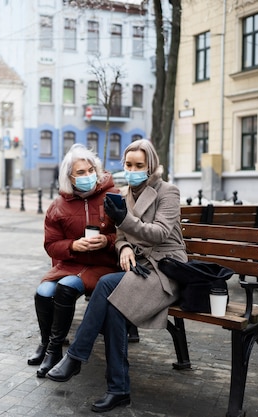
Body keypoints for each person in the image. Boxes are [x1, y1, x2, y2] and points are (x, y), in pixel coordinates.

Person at [46, 139, 187, 413]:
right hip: (140, 267)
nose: (132, 169)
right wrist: (123, 249)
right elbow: (122, 237)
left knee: (108, 288)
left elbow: (159, 233)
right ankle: (117, 389)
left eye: (139, 165)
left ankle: (78, 358)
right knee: (111, 300)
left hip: (167, 269)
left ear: (151, 166)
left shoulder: (168, 191)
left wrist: (123, 220)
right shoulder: (124, 194)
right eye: (128, 164)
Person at [28, 144, 120, 378]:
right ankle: (48, 344)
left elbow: (127, 234)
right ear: (69, 177)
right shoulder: (58, 206)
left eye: (91, 170)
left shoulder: (113, 197)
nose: (88, 176)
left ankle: (54, 350)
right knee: (43, 291)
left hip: (102, 265)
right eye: (80, 173)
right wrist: (72, 245)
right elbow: (51, 245)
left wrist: (107, 241)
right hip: (70, 264)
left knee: (66, 288)